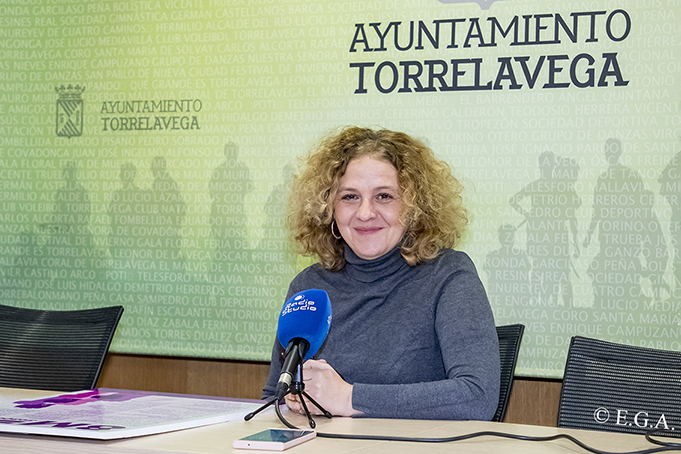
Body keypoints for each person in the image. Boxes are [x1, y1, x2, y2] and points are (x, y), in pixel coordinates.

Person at [262, 126, 500, 420]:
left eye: (384, 196)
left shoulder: (448, 276)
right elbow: (273, 398)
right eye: (349, 196)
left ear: (415, 207)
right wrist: (292, 401)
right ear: (328, 208)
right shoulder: (308, 287)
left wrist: (349, 398)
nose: (365, 213)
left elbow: (478, 397)